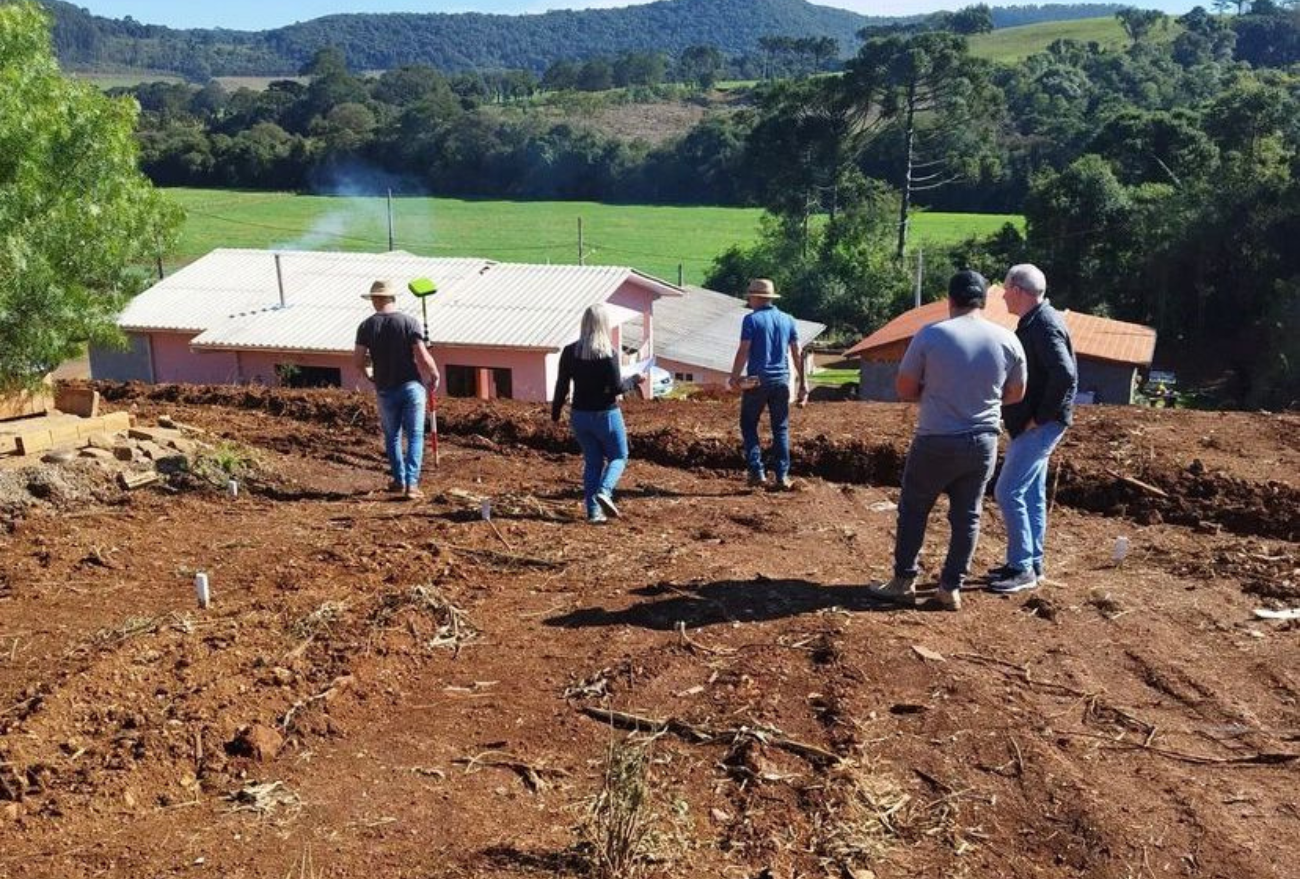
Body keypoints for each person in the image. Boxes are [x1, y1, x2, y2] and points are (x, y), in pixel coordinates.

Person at [871, 270, 1027, 612]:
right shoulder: (1008, 339)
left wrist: (938, 391)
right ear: (983, 300)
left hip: (935, 439)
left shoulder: (931, 335)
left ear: (950, 299)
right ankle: (950, 588)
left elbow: (905, 389)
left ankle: (903, 581)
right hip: (982, 441)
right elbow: (1016, 393)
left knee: (914, 510)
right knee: (967, 516)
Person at [989, 264, 1078, 593]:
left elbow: (1064, 374)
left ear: (1018, 290)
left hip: (1042, 425)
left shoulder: (1043, 324)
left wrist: (1039, 417)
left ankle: (1021, 567)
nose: (1001, 294)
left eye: (1005, 287)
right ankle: (1032, 562)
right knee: (1029, 493)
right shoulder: (1037, 320)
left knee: (1007, 490)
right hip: (1042, 423)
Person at [551, 303, 646, 524]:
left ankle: (594, 512)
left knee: (593, 463)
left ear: (584, 323)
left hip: (579, 416)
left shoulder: (569, 351)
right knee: (619, 456)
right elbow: (616, 389)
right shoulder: (608, 354)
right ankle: (605, 491)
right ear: (604, 324)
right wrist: (634, 380)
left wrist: (555, 413)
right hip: (606, 414)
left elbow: (562, 385)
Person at [353, 279, 440, 500]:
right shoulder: (409, 322)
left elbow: (358, 360)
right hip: (412, 386)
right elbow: (421, 354)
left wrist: (369, 376)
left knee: (392, 436)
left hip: (384, 388)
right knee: (415, 436)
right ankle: (412, 485)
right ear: (392, 298)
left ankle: (399, 480)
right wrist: (434, 373)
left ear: (375, 300)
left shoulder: (366, 326)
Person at [727, 278, 809, 490]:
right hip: (781, 381)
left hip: (757, 381)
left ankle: (757, 472)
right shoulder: (788, 320)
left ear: (756, 298)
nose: (749, 301)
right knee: (780, 428)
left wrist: (734, 377)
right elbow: (797, 353)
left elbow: (744, 350)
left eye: (750, 298)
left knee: (748, 424)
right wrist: (803, 384)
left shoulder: (751, 320)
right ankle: (782, 476)